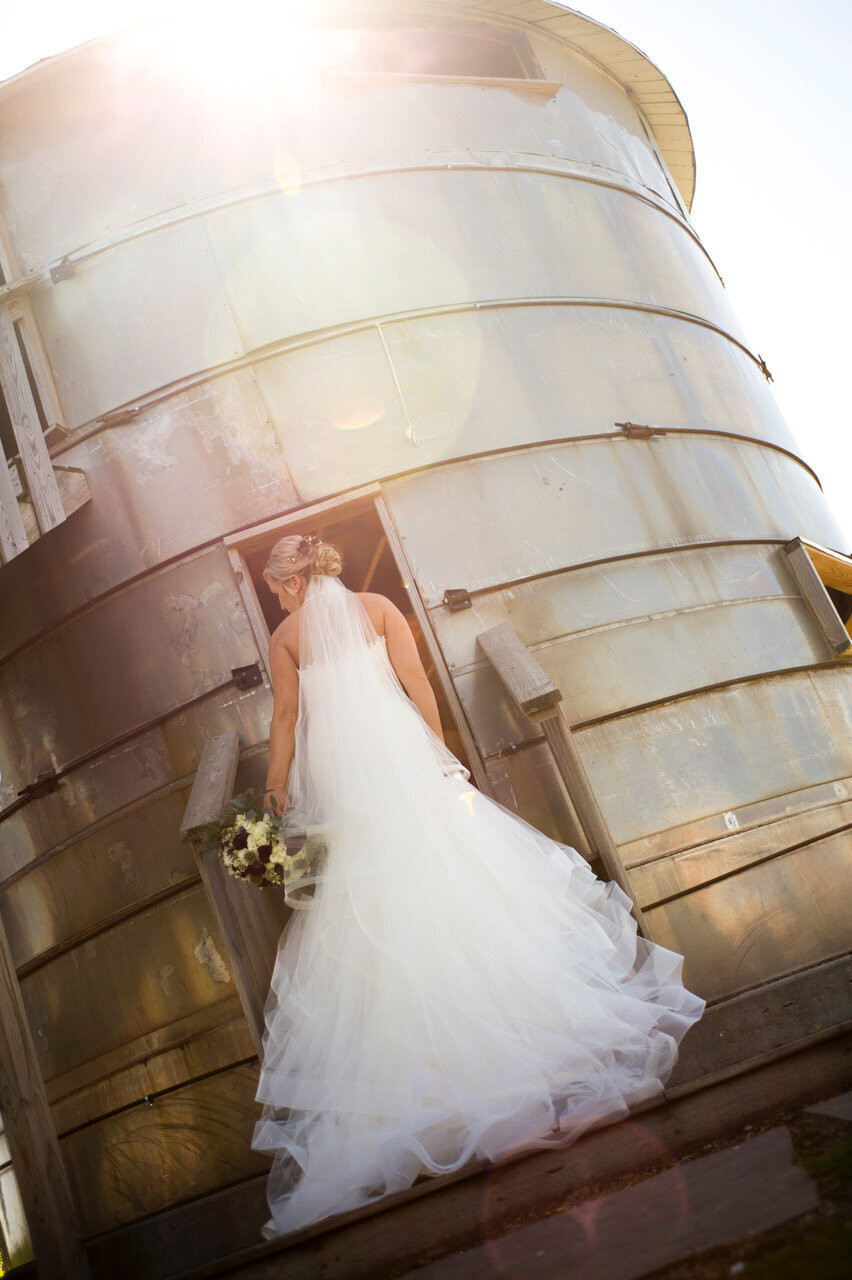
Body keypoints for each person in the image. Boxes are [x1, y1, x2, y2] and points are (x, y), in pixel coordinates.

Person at [251, 532, 705, 1239]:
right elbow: (417, 683)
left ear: (288, 582)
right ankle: (523, 1048)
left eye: (277, 583)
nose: (279, 593)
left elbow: (286, 717)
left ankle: (424, 1084)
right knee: (458, 878)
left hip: (342, 785)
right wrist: (435, 756)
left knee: (368, 913)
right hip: (402, 765)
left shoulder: (285, 635)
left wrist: (277, 783)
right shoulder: (378, 609)